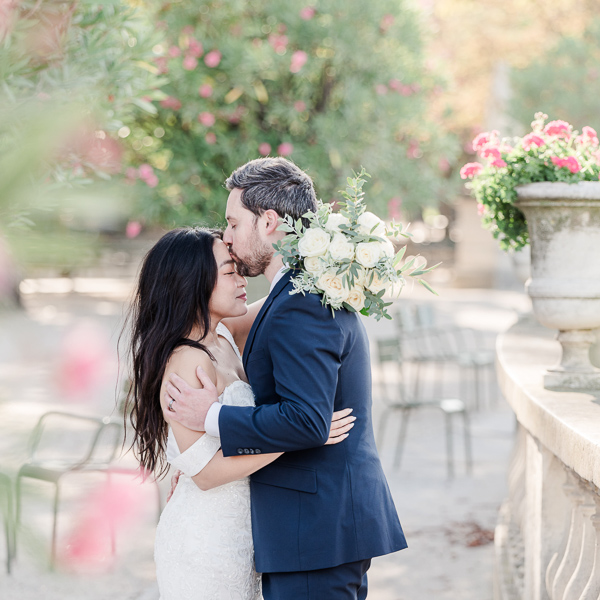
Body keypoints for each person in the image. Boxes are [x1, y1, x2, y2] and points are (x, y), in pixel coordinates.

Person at [165, 157, 408, 600]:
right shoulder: (301, 290)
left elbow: (307, 421)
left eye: (234, 223)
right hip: (311, 529)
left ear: (270, 222)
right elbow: (204, 321)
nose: (229, 238)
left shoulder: (302, 301)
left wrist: (213, 415)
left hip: (314, 530)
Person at [123, 227, 353, 600]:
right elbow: (207, 474)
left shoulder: (225, 333)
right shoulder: (187, 359)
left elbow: (289, 293)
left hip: (244, 535)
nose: (240, 278)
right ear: (192, 283)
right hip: (205, 541)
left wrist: (345, 249)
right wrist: (303, 433)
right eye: (228, 271)